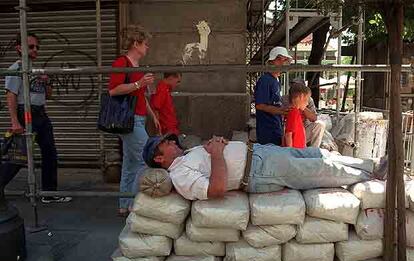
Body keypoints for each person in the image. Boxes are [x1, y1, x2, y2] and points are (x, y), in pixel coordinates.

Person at [142, 134, 385, 201]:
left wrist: (219, 144)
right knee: (321, 168)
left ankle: (371, 164)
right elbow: (215, 190)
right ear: (159, 159)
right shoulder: (180, 175)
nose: (173, 142)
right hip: (259, 171)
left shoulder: (186, 156)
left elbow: (215, 158)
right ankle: (371, 175)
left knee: (319, 154)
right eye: (167, 143)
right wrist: (217, 153)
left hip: (259, 153)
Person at [4, 32, 71, 204]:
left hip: (41, 114)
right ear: (19, 48)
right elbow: (11, 95)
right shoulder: (16, 69)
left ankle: (49, 193)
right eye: (31, 46)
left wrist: (47, 81)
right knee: (19, 157)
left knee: (50, 153)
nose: (35, 50)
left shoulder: (35, 69)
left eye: (37, 47)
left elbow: (47, 95)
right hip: (25, 113)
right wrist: (14, 121)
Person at [108, 25, 154, 217]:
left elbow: (140, 96)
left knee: (129, 163)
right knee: (146, 158)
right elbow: (113, 90)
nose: (148, 47)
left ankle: (124, 204)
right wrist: (138, 83)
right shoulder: (122, 63)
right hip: (130, 120)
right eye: (145, 44)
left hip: (138, 119)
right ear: (136, 44)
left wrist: (152, 115)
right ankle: (134, 203)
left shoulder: (137, 67)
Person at [254, 46, 292, 145]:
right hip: (267, 129)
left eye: (284, 60)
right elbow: (259, 105)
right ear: (270, 62)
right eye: (278, 59)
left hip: (275, 126)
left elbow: (273, 103)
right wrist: (280, 111)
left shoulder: (276, 80)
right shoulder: (265, 80)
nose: (282, 63)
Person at [281, 78, 326, 147]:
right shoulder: (285, 100)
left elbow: (314, 118)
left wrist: (302, 106)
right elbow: (288, 133)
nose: (307, 102)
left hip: (303, 129)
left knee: (320, 125)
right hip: (290, 132)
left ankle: (313, 150)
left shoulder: (308, 99)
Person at [284, 84, 311, 149]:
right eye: (307, 100)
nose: (307, 103)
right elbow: (288, 134)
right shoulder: (293, 113)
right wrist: (290, 151)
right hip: (295, 151)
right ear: (301, 97)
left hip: (298, 150)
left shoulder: (296, 112)